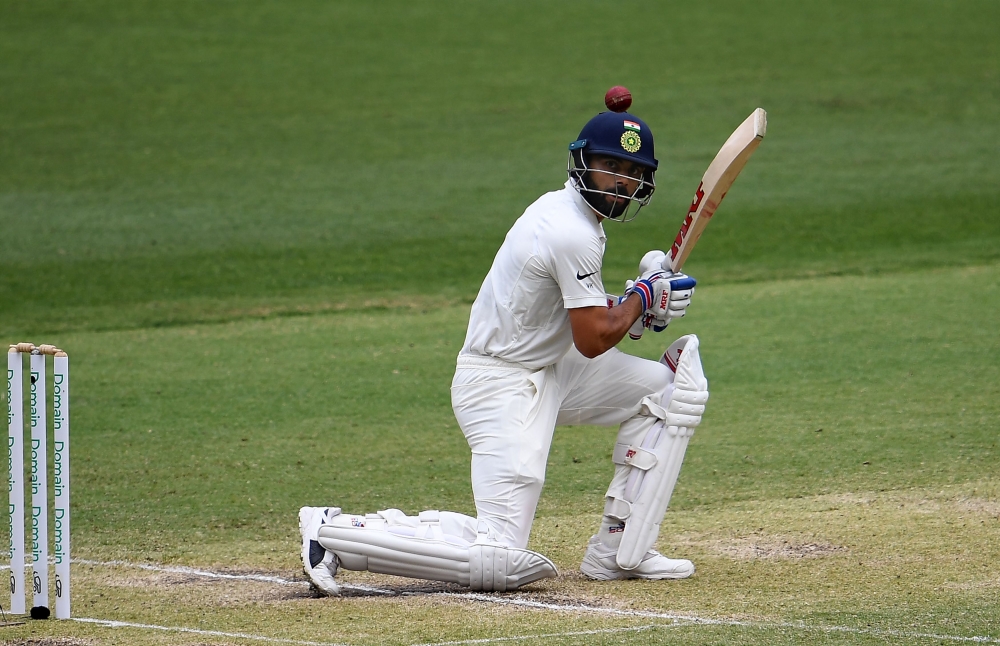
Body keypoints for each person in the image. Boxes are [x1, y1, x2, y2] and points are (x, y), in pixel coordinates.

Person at [299, 100, 710, 594]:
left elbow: (578, 315)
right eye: (611, 167)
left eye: (632, 172)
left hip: (551, 366)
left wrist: (632, 304)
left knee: (668, 392)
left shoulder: (569, 215)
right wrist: (643, 298)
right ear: (583, 164)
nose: (622, 181)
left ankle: (620, 550)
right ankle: (333, 534)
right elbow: (594, 337)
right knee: (501, 557)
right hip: (501, 384)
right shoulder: (570, 230)